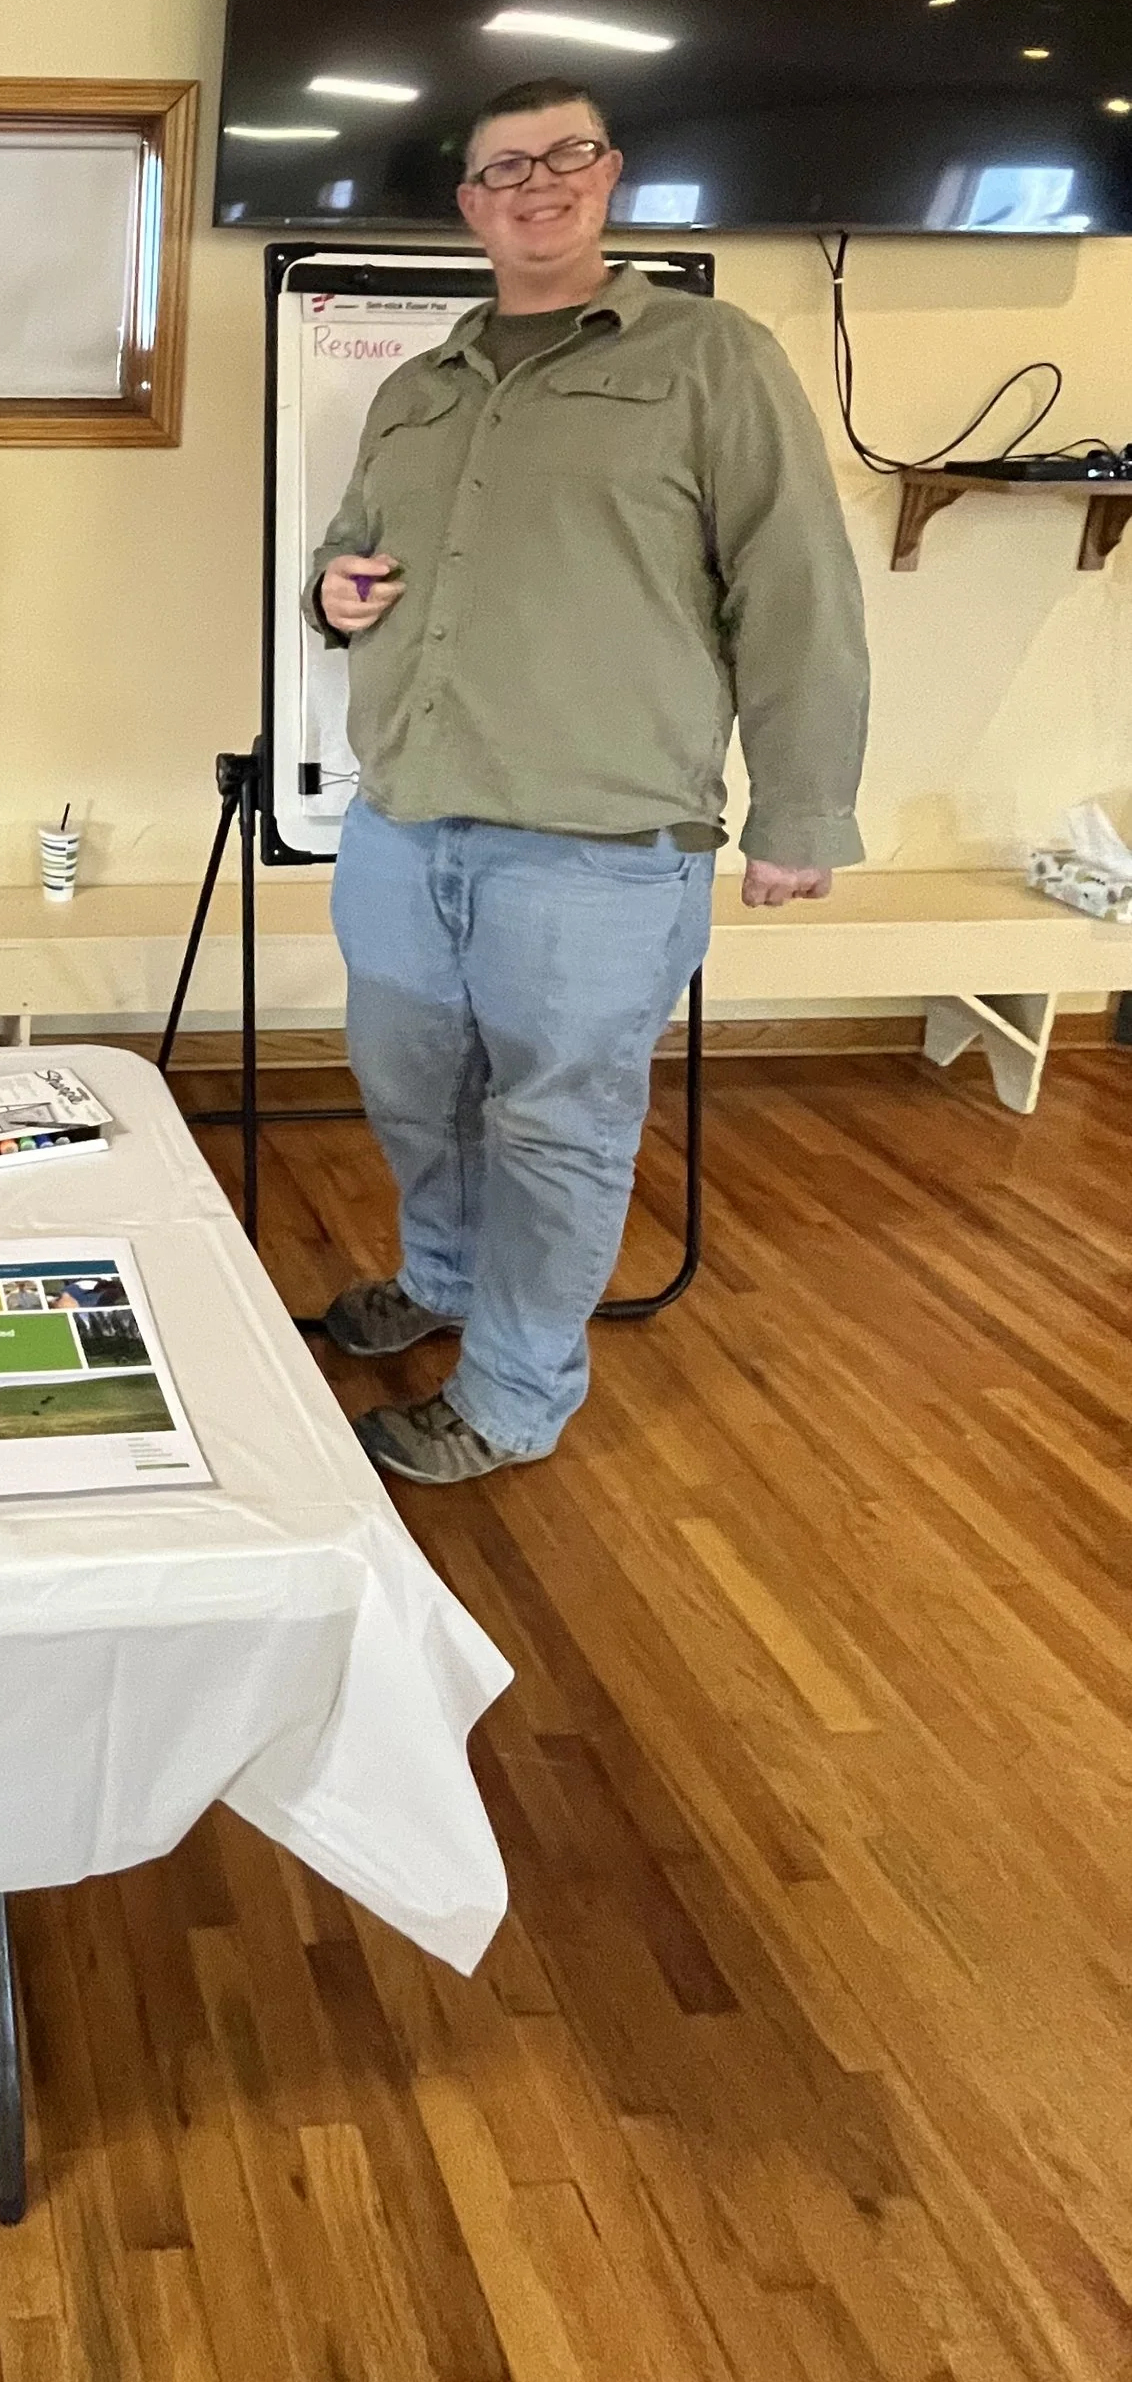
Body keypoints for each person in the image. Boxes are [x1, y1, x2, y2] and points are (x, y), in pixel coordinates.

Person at [311, 77, 868, 1484]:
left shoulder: (712, 359)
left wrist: (800, 811)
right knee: (409, 1091)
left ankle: (511, 1394)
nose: (538, 182)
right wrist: (334, 588)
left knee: (557, 1127)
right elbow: (350, 550)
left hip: (599, 846)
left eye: (566, 154)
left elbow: (796, 589)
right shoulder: (417, 386)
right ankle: (442, 1279)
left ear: (609, 175)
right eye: (506, 167)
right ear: (471, 205)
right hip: (404, 821)